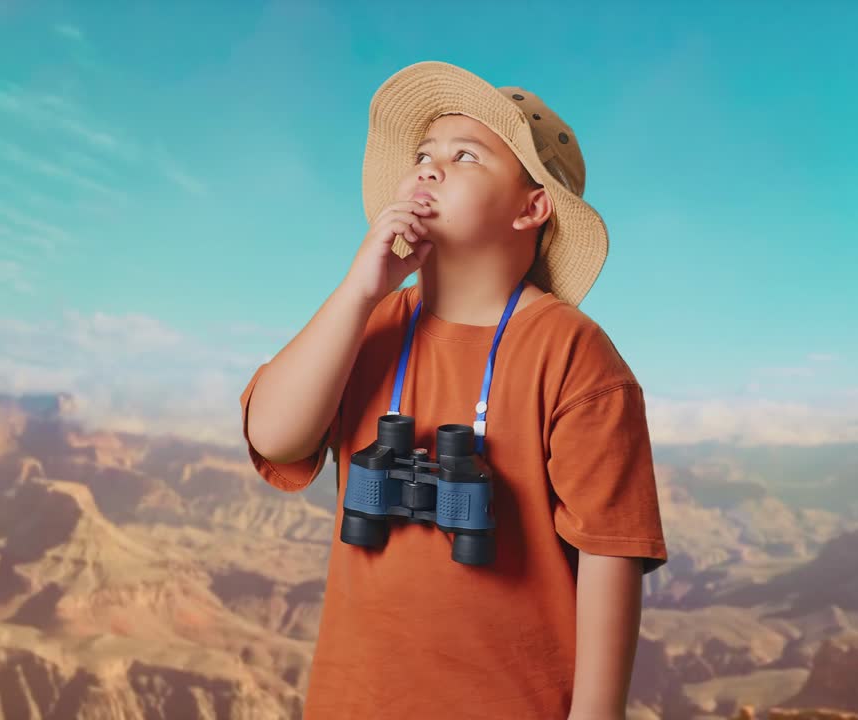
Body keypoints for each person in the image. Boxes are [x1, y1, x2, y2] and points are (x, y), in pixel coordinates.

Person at [239, 60, 667, 719]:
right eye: (423, 154)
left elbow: (609, 556)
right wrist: (361, 289)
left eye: (465, 155)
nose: (429, 168)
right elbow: (274, 435)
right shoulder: (368, 324)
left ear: (532, 207)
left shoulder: (573, 355)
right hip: (354, 701)